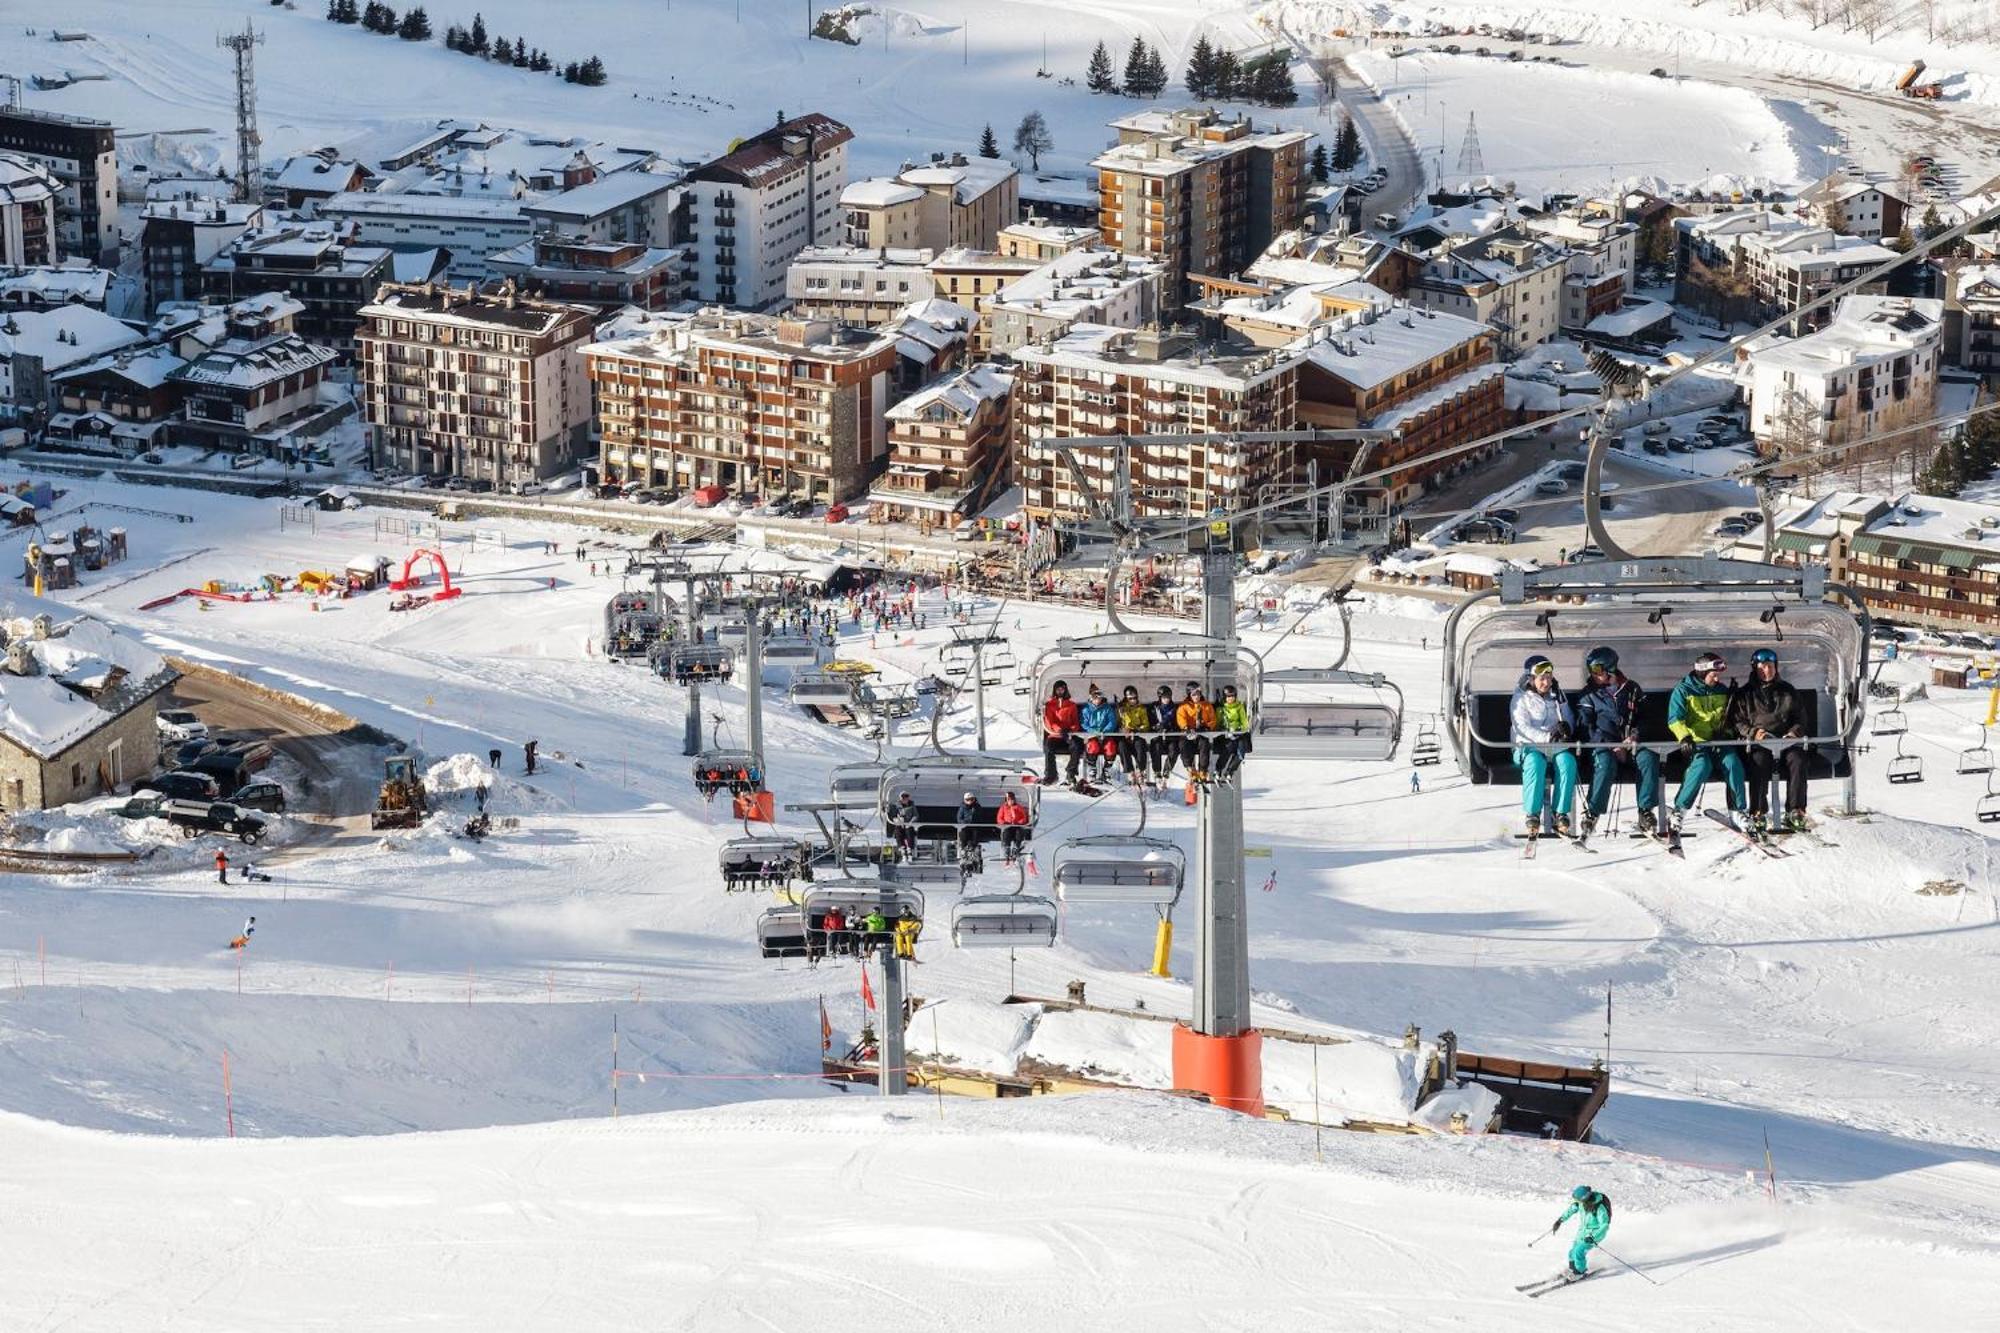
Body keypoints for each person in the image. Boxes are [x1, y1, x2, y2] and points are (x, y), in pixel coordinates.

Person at [1573, 646, 1664, 839]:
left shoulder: (1632, 689)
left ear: (1610, 668)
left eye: (1597, 670)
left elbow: (1647, 717)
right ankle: (1593, 813)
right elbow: (1585, 725)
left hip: (1630, 744)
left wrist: (1634, 736)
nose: (1593, 675)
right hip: (1604, 746)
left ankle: (1646, 811)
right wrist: (1609, 744)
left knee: (1647, 757)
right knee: (1605, 764)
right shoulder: (1588, 694)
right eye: (1590, 670)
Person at [1728, 647, 1810, 834]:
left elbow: (1800, 718)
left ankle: (1796, 809)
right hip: (1761, 743)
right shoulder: (1745, 694)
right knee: (1759, 762)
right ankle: (1758, 811)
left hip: (1785, 741)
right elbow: (1738, 722)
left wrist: (1794, 733)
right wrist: (1754, 733)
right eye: (1762, 667)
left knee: (1798, 759)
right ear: (1755, 668)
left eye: (1771, 667)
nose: (1767, 671)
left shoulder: (1788, 691)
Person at [1666, 650, 1747, 834]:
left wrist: (1728, 732)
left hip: (1720, 742)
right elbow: (1674, 718)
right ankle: (1680, 809)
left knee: (1733, 763)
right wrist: (1684, 737)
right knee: (1701, 766)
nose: (1717, 680)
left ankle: (1738, 810)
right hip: (1698, 743)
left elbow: (1729, 718)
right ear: (1703, 673)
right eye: (1714, 675)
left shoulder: (1722, 691)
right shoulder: (1684, 690)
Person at [1510, 655, 1578, 837]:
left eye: (1549, 678)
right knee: (1535, 763)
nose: (1546, 682)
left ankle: (1560, 813)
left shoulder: (1557, 696)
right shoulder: (1520, 699)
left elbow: (1568, 716)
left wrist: (1567, 727)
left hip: (1554, 745)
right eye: (1542, 678)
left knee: (1567, 762)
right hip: (1528, 746)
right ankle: (1533, 814)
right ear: (1531, 679)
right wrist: (1548, 737)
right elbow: (1522, 727)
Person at [1552, 1185, 1612, 1279]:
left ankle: (1580, 1272)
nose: (1577, 1202)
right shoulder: (1581, 1204)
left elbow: (1604, 1225)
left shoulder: (1599, 1207)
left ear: (1584, 1198)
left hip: (1595, 1234)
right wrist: (1560, 1221)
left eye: (1578, 1200)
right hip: (1582, 1233)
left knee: (1579, 1251)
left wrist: (1593, 1237)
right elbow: (1570, 1210)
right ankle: (1573, 1269)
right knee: (1572, 1253)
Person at [1040, 680, 1083, 787]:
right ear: (1055, 690)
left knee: (1077, 745)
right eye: (1058, 689)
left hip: (1068, 735)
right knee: (1048, 747)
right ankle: (1051, 774)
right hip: (1055, 735)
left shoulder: (1071, 705)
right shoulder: (1050, 705)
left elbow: (1075, 722)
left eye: (1062, 689)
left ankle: (1071, 772)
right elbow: (1049, 722)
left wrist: (1069, 730)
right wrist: (1059, 730)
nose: (1060, 691)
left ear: (1065, 690)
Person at [1176, 682, 1218, 780]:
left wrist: (1207, 727)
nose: (1197, 696)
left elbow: (1213, 719)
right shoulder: (1184, 706)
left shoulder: (1206, 705)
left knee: (1204, 745)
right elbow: (1181, 718)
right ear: (1189, 695)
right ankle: (1190, 768)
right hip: (1189, 732)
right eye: (1194, 694)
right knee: (1183, 744)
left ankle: (1203, 770)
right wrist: (1186, 728)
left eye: (1198, 694)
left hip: (1202, 732)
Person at [1078, 685, 1119, 784]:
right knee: (1092, 746)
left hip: (1105, 734)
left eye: (1099, 697)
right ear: (1091, 698)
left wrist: (1105, 731)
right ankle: (1092, 768)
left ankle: (1107, 769)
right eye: (1095, 697)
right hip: (1092, 735)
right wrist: (1093, 732)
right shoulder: (1086, 709)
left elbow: (1112, 721)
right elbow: (1084, 723)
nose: (1097, 700)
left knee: (1110, 747)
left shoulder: (1107, 708)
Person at [1115, 685, 1151, 784]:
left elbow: (1146, 724)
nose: (1133, 701)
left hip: (1136, 734)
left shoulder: (1141, 708)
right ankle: (1130, 771)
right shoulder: (1122, 709)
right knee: (1121, 746)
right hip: (1125, 736)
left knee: (1140, 744)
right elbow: (1117, 724)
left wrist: (1137, 730)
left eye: (1135, 698)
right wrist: (1123, 730)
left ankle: (1140, 770)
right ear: (1126, 698)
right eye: (1130, 699)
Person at [1215, 684, 1251, 780]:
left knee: (1240, 754)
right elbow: (1217, 723)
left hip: (1238, 733)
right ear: (1224, 697)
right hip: (1226, 734)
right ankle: (1218, 770)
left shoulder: (1239, 707)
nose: (1231, 698)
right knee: (1227, 750)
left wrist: (1240, 729)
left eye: (1232, 696)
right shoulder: (1221, 709)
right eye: (1228, 696)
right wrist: (1223, 730)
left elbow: (1244, 721)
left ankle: (1229, 771)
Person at [1148, 684, 1181, 785]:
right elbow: (1150, 722)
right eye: (1164, 697)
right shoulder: (1154, 708)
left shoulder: (1174, 709)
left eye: (1168, 697)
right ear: (1160, 698)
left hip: (1170, 735)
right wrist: (1156, 727)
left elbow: (1177, 723)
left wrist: (1170, 728)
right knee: (1156, 748)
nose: (1167, 699)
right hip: (1158, 735)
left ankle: (1167, 771)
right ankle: (1157, 771)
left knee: (1174, 749)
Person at [994, 790, 1030, 863]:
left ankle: (1016, 847)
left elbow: (1024, 817)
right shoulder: (1003, 808)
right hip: (1007, 825)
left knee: (1019, 833)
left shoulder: (1018, 807)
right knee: (1007, 833)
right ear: (1006, 800)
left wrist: (1019, 822)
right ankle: (1007, 848)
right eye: (1009, 800)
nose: (1011, 801)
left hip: (1017, 825)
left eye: (1012, 800)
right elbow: (999, 818)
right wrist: (1003, 822)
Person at [888, 791, 920, 859]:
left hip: (908, 823)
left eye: (906, 797)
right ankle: (902, 847)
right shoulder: (897, 806)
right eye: (903, 797)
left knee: (909, 830)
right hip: (900, 823)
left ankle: (909, 848)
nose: (905, 799)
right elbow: (893, 816)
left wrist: (910, 822)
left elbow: (916, 815)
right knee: (898, 830)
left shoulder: (911, 805)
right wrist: (897, 820)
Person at [954, 792, 985, 862]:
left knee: (976, 834)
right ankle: (963, 850)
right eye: (967, 800)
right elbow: (959, 818)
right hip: (965, 826)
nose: (969, 801)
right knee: (963, 834)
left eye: (971, 799)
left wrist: (976, 821)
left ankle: (973, 850)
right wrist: (964, 823)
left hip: (975, 826)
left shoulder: (977, 807)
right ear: (965, 800)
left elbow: (981, 816)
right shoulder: (962, 808)